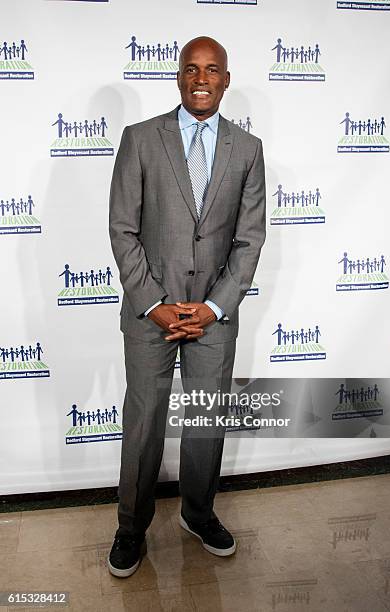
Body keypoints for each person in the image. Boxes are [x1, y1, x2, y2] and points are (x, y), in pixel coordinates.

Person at [108, 35, 266, 578]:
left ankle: (199, 514)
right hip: (149, 314)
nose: (202, 79)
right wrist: (152, 303)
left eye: (213, 70)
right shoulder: (140, 140)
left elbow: (249, 241)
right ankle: (131, 528)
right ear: (178, 77)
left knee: (205, 422)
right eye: (192, 69)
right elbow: (123, 231)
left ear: (226, 78)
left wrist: (215, 307)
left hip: (212, 320)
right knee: (145, 423)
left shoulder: (247, 150)